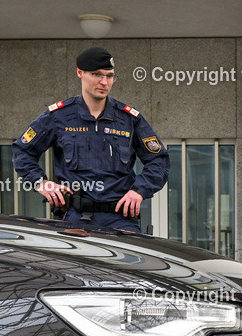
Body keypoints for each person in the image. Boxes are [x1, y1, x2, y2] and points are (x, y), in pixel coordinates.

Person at [12, 46, 170, 233]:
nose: (104, 82)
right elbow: (22, 150)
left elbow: (159, 159)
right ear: (80, 73)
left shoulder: (129, 118)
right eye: (97, 75)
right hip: (76, 218)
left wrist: (139, 191)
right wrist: (41, 183)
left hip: (121, 219)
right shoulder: (59, 116)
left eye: (109, 76)